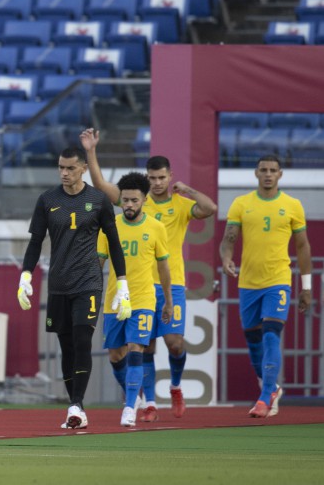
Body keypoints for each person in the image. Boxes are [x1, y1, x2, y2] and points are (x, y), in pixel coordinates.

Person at [81, 128, 217, 420]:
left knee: (174, 342)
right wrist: (91, 151)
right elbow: (100, 184)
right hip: (136, 285)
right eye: (152, 178)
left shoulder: (180, 205)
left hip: (171, 281)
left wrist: (189, 190)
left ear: (170, 177)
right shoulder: (135, 199)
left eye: (161, 177)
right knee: (143, 346)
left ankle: (176, 387)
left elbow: (210, 208)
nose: (156, 183)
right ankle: (149, 402)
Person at [17, 147, 126, 430]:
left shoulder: (98, 200)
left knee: (82, 341)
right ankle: (75, 406)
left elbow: (114, 243)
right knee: (66, 347)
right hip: (58, 284)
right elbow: (35, 242)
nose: (64, 173)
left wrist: (122, 282)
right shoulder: (47, 200)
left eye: (70, 168)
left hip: (88, 282)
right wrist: (25, 276)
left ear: (83, 169)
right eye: (61, 168)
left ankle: (76, 404)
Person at [219, 154, 313, 418]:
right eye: (264, 170)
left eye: (273, 170)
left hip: (278, 280)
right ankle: (272, 386)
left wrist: (306, 287)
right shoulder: (242, 203)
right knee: (253, 341)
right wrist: (226, 259)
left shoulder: (292, 205)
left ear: (280, 174)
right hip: (248, 282)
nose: (268, 174)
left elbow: (303, 246)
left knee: (272, 334)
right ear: (256, 173)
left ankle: (265, 395)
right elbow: (229, 239)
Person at [97, 172, 173, 427]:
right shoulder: (109, 226)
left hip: (142, 300)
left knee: (136, 350)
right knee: (115, 356)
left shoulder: (155, 228)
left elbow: (164, 267)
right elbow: (98, 262)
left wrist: (169, 301)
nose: (129, 205)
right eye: (125, 200)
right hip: (114, 301)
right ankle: (135, 395)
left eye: (134, 200)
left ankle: (129, 407)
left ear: (144, 200)